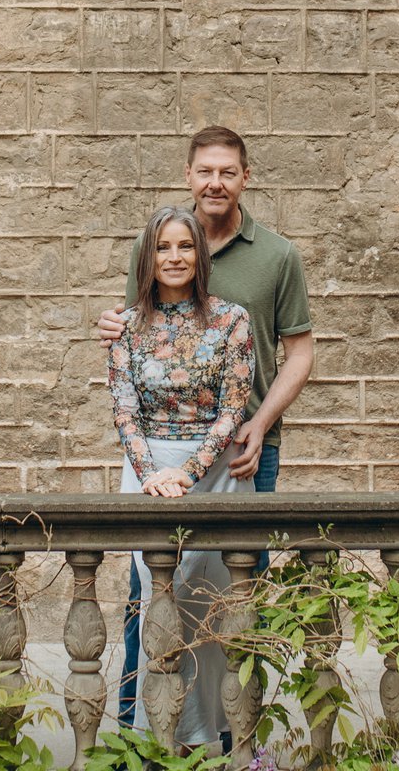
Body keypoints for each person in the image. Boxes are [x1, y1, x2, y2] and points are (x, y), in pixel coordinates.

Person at [100, 125, 316, 729]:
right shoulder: (153, 242)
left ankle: (234, 736)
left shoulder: (277, 257)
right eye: (204, 171)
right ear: (189, 176)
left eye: (227, 172)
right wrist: (111, 325)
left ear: (245, 177)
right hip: (155, 457)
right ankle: (141, 734)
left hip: (245, 450)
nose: (215, 182)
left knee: (236, 594)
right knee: (150, 597)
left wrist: (259, 423)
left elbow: (300, 353)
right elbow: (133, 332)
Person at [109, 204, 256, 751]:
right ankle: (163, 737)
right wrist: (153, 475)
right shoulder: (125, 327)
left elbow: (233, 409)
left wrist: (188, 473)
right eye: (163, 247)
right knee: (160, 599)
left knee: (211, 604)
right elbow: (124, 410)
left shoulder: (232, 320)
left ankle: (217, 734)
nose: (175, 257)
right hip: (147, 472)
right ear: (148, 258)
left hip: (214, 472)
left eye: (186, 246)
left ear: (200, 255)